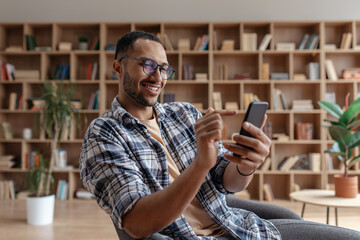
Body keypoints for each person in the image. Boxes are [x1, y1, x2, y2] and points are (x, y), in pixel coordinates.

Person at [80, 31, 360, 240]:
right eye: (147, 65)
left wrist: (246, 165)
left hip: (231, 224)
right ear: (118, 67)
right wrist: (201, 163)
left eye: (164, 68)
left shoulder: (185, 114)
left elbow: (227, 182)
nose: (158, 77)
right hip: (192, 236)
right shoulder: (105, 134)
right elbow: (137, 223)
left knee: (291, 217)